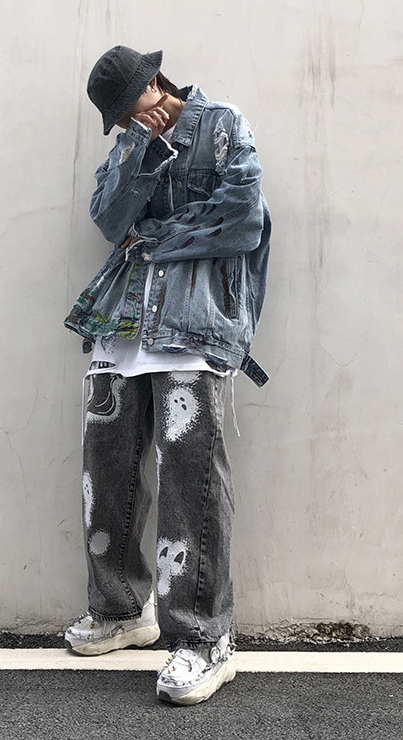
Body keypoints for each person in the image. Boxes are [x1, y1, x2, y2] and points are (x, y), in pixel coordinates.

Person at [63, 45, 271, 705]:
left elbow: (241, 221)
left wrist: (153, 238)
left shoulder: (223, 124)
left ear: (156, 82)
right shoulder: (131, 145)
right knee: (106, 472)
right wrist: (139, 154)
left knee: (190, 481)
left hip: (192, 324)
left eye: (133, 108)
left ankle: (206, 640)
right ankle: (122, 609)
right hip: (122, 322)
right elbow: (109, 221)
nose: (131, 121)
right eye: (121, 119)